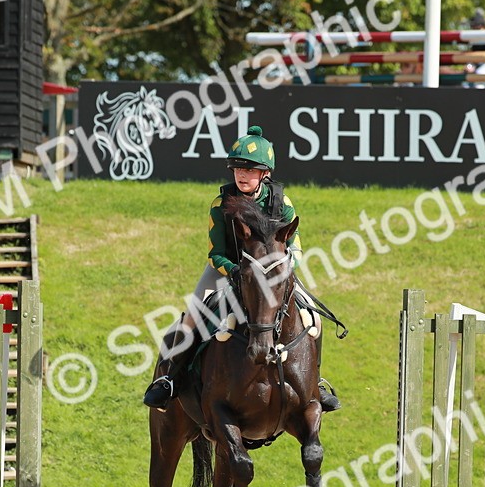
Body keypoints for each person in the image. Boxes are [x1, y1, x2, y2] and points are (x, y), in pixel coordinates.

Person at [142, 126, 340, 412]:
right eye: (237, 169)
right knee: (193, 317)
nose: (241, 175)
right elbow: (216, 254)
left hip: (274, 275)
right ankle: (169, 380)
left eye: (249, 170)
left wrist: (283, 270)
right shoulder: (220, 205)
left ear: (265, 173)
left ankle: (315, 384)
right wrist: (235, 272)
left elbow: (294, 247)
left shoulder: (282, 204)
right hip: (228, 270)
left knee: (314, 320)